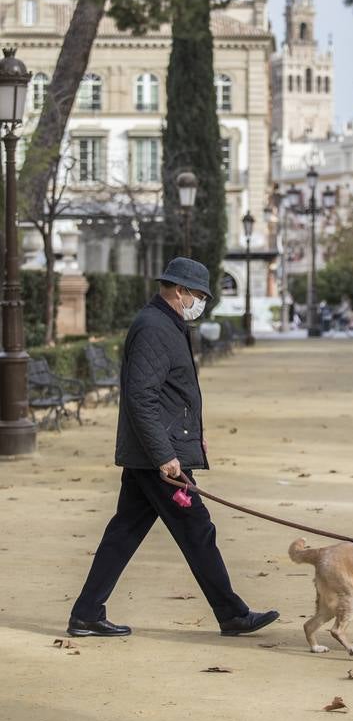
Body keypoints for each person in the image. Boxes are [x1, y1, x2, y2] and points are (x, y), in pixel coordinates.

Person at [68, 257, 279, 638]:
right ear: (179, 291)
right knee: (197, 529)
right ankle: (232, 613)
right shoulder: (154, 327)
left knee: (125, 532)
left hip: (153, 450)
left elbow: (170, 394)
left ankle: (86, 612)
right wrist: (166, 454)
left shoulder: (166, 324)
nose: (200, 302)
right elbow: (141, 397)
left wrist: (190, 435)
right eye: (198, 295)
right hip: (157, 456)